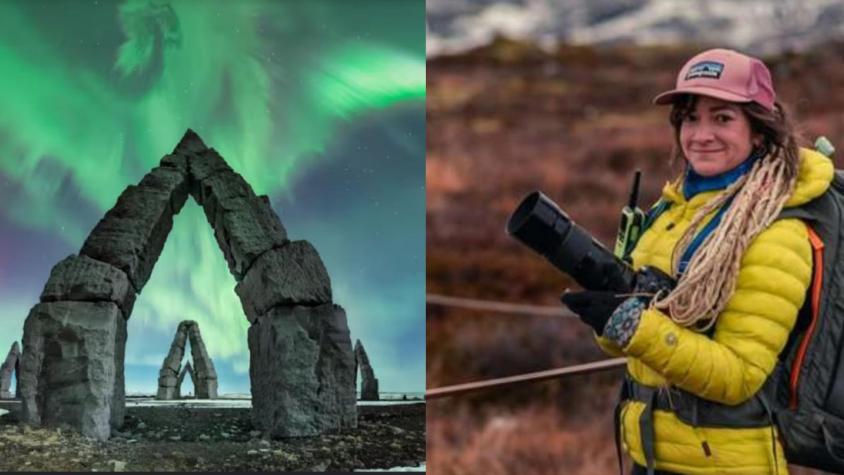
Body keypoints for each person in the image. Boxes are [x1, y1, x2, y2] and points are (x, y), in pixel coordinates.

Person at [561, 48, 834, 474]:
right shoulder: (672, 213)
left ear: (759, 131)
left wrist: (633, 324)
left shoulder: (778, 232)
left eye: (722, 118)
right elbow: (635, 340)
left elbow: (739, 375)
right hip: (652, 455)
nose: (701, 134)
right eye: (691, 117)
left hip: (726, 463)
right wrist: (612, 318)